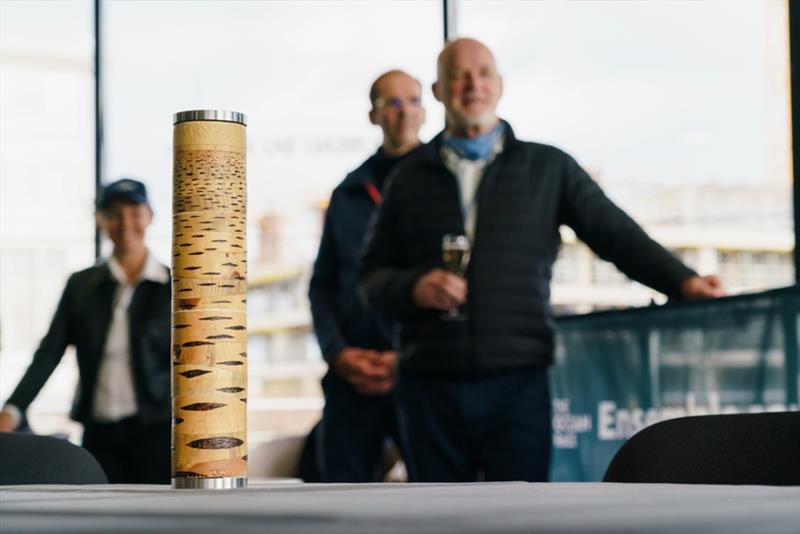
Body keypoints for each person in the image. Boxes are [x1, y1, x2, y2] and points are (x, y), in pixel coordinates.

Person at [359, 38, 725, 483]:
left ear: (500, 85)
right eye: (458, 74)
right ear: (438, 90)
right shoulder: (407, 179)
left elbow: (614, 233)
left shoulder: (549, 167)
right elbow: (370, 280)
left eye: (484, 73)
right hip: (428, 392)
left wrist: (682, 281)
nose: (472, 83)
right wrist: (412, 287)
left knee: (521, 522)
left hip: (519, 385)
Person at [0, 178, 172, 484]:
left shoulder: (173, 286)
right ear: (100, 220)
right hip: (99, 434)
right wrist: (12, 410)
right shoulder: (80, 286)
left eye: (134, 212)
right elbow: (49, 353)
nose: (125, 223)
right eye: (114, 214)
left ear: (150, 216)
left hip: (156, 432)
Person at [308, 69, 426, 482]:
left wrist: (407, 358)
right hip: (352, 372)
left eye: (413, 100)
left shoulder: (441, 184)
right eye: (391, 103)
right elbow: (321, 284)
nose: (403, 112)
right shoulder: (348, 193)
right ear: (373, 116)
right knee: (339, 495)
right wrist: (337, 352)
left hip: (420, 372)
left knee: (442, 496)